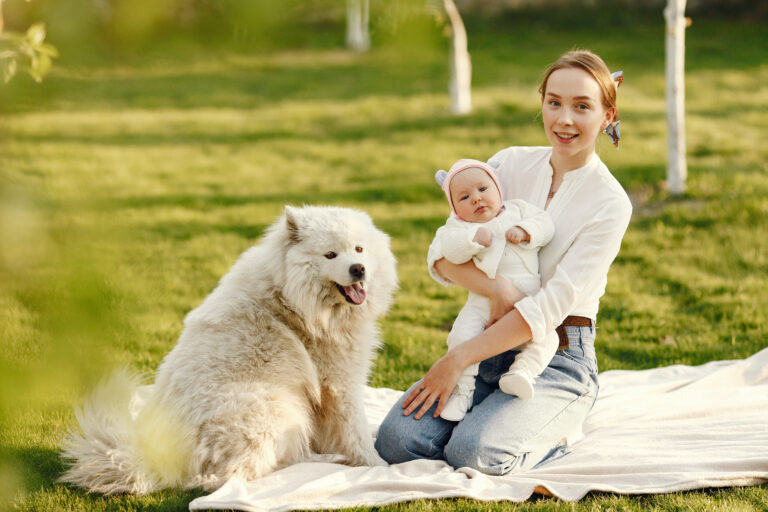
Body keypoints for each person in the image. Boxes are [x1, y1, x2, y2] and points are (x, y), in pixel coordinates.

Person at [375, 50, 632, 475]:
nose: (564, 119)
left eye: (582, 106)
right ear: (543, 103)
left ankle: (561, 429)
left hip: (557, 354)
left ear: (608, 116)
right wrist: (497, 288)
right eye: (554, 102)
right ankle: (492, 414)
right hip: (488, 348)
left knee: (473, 453)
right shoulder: (508, 164)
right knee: (397, 441)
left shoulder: (610, 204)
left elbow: (548, 310)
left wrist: (454, 360)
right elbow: (441, 256)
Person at [431, 158, 559, 422]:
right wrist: (472, 239)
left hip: (528, 298)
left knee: (548, 337)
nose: (476, 199)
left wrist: (526, 231)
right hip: (482, 302)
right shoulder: (460, 227)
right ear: (454, 207)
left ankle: (522, 373)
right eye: (464, 197)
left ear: (498, 189)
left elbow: (546, 225)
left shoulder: (519, 210)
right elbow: (448, 250)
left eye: (482, 190)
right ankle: (463, 390)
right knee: (460, 336)